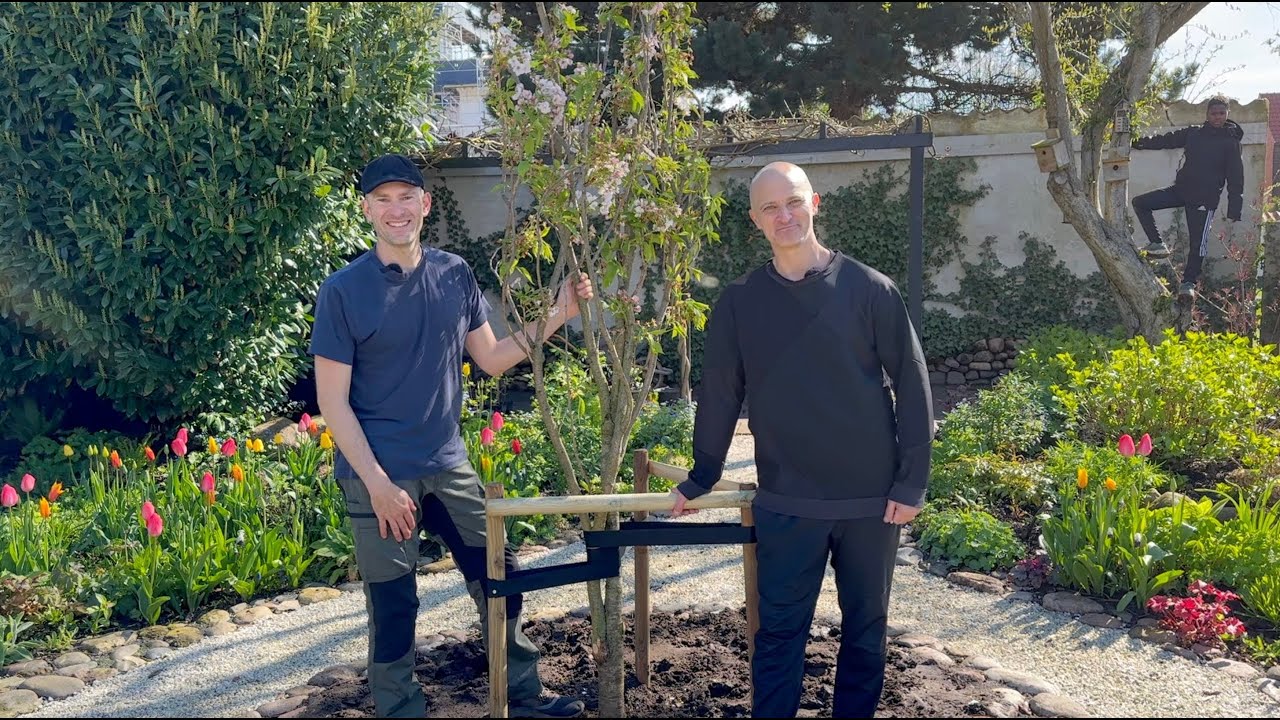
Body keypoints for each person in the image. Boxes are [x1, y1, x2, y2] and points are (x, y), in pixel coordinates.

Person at [310, 153, 591, 719]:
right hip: (380, 475)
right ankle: (402, 710)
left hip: (449, 464)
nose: (397, 210)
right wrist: (380, 485)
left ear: (425, 204)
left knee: (500, 577)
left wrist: (557, 315)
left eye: (406, 197)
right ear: (366, 210)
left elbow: (490, 357)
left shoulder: (454, 273)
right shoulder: (343, 291)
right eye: (383, 200)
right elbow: (332, 402)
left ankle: (523, 696)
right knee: (393, 603)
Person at [669, 161, 934, 719]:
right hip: (787, 502)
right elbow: (719, 394)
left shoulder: (870, 290)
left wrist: (911, 483)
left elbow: (913, 385)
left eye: (792, 202)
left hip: (871, 502)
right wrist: (701, 476)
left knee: (866, 633)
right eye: (770, 207)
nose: (783, 215)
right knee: (779, 637)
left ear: (816, 203)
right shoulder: (740, 303)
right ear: (755, 220)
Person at [1130, 96, 1244, 300]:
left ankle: (1188, 284)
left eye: (1221, 113)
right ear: (1207, 115)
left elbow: (1236, 179)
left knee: (1197, 242)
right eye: (1213, 113)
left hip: (1204, 199)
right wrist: (1137, 143)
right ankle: (1157, 243)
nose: (1217, 117)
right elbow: (1167, 140)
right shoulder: (1194, 133)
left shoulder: (1231, 142)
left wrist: (1234, 209)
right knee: (1140, 202)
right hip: (1181, 190)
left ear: (1227, 114)